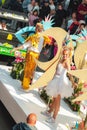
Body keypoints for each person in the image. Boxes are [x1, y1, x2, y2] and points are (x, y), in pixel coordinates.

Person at [11, 22, 51, 90]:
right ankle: (27, 83)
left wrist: (16, 48)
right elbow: (48, 44)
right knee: (32, 70)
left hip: (31, 54)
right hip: (37, 55)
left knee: (28, 70)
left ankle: (25, 85)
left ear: (36, 29)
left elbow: (24, 46)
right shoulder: (44, 38)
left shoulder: (33, 37)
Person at [41, 46, 73, 123]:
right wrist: (52, 80)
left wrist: (73, 82)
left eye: (66, 55)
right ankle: (49, 111)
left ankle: (54, 118)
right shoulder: (61, 59)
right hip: (56, 79)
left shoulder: (67, 62)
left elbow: (70, 73)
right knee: (54, 98)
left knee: (57, 100)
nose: (65, 56)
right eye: (64, 54)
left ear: (69, 55)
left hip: (61, 82)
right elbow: (56, 71)